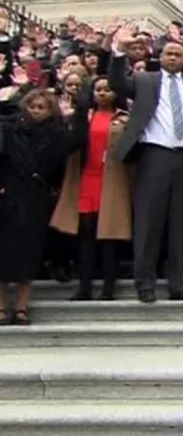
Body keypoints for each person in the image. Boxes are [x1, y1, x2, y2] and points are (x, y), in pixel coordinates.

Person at [108, 28, 183, 304]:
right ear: (160, 56)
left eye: (178, 54)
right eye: (168, 53)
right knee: (149, 222)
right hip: (155, 155)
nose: (172, 58)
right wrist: (119, 52)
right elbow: (117, 83)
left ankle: (180, 283)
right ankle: (145, 283)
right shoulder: (145, 80)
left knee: (182, 223)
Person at [50, 77, 132, 300]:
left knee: (109, 235)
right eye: (98, 90)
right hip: (87, 178)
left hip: (113, 180)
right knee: (86, 233)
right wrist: (71, 119)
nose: (103, 93)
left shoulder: (124, 118)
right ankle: (84, 287)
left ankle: (108, 288)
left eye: (108, 89)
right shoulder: (84, 117)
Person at [0, 88, 78, 324]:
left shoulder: (56, 134)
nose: (35, 111)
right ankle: (1, 306)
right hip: (8, 195)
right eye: (32, 106)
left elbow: (75, 143)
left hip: (36, 197)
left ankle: (22, 306)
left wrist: (72, 117)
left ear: (50, 111)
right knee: (2, 252)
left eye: (41, 107)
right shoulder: (10, 129)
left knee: (30, 253)